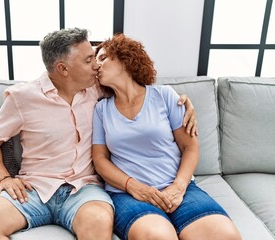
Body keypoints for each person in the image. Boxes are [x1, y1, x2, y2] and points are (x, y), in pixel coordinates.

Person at [0, 28, 197, 240]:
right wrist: (3, 178)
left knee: (98, 221)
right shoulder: (23, 97)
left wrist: (183, 102)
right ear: (63, 69)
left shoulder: (99, 90)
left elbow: (139, 92)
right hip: (35, 189)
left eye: (96, 58)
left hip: (84, 190)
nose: (96, 65)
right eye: (88, 60)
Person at [92, 34, 242, 240]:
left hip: (178, 187)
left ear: (125, 59)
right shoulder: (101, 109)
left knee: (225, 235)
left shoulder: (165, 96)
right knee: (159, 237)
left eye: (103, 58)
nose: (96, 65)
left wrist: (178, 188)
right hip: (128, 194)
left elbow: (189, 147)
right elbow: (100, 160)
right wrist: (134, 187)